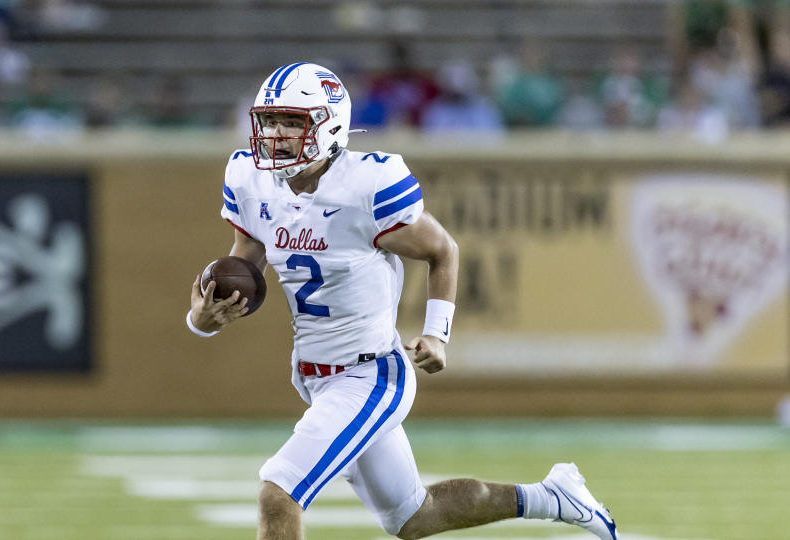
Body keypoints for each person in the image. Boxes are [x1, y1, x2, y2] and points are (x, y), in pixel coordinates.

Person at [186, 62, 619, 540]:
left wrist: (438, 331)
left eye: (292, 121)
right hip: (313, 375)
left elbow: (442, 249)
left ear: (328, 125)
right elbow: (243, 269)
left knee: (278, 492)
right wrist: (201, 318)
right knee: (414, 517)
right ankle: (552, 496)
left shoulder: (367, 184)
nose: (277, 135)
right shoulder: (251, 180)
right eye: (270, 121)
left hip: (368, 374)